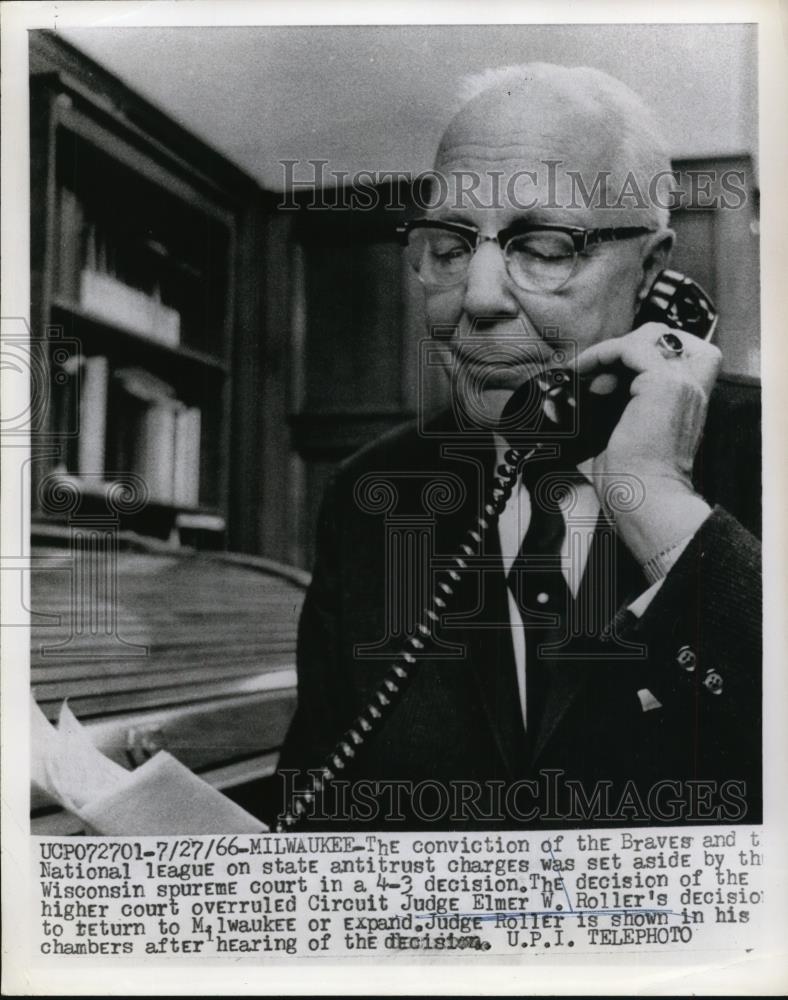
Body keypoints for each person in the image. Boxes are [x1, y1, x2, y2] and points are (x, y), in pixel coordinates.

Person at [276, 64, 761, 829]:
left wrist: (662, 504)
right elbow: (317, 797)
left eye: (545, 245)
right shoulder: (369, 493)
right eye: (449, 245)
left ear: (652, 271)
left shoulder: (764, 449)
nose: (477, 296)